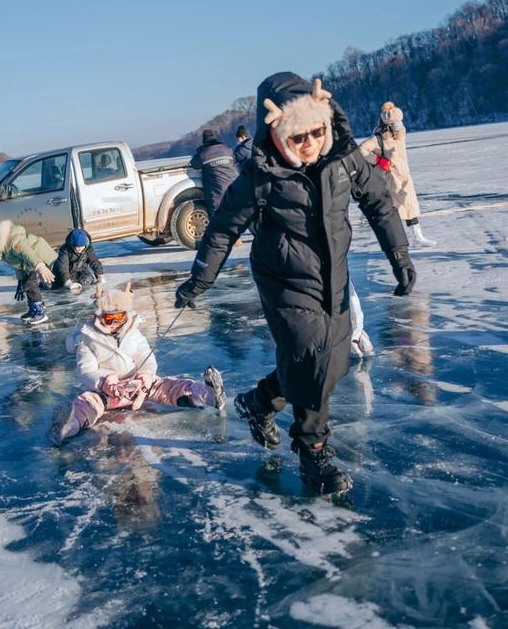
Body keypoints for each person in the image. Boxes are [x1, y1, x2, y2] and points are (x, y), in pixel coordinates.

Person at [175, 72, 416, 496]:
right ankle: (313, 452)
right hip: (282, 277)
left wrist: (399, 255)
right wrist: (200, 280)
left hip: (332, 273)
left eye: (316, 131)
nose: (309, 143)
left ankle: (259, 400)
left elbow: (378, 201)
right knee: (311, 356)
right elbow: (222, 230)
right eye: (297, 135)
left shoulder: (344, 158)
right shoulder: (258, 176)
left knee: (335, 359)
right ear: (276, 132)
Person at [49, 283, 226, 445]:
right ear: (99, 316)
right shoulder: (87, 339)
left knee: (167, 387)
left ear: (126, 315)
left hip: (137, 386)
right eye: (109, 319)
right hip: (105, 391)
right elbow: (85, 369)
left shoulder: (133, 333)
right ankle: (68, 424)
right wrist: (104, 381)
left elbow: (145, 356)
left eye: (119, 317)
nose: (115, 324)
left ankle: (207, 395)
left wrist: (146, 376)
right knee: (88, 403)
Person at [359, 102, 436, 248]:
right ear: (387, 124)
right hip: (390, 178)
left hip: (404, 176)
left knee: (410, 204)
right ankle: (392, 238)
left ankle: (418, 237)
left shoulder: (400, 135)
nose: (399, 125)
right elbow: (361, 151)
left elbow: (401, 131)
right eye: (395, 123)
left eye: (399, 122)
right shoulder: (378, 139)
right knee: (390, 210)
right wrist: (378, 160)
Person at [0, 220, 57, 325]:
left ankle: (39, 313)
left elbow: (27, 253)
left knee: (30, 284)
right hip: (31, 262)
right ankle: (33, 309)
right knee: (26, 283)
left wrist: (40, 266)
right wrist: (20, 281)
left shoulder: (13, 242)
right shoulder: (5, 248)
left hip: (38, 257)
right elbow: (19, 265)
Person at [189, 129, 238, 217]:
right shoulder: (227, 149)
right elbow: (234, 161)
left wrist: (199, 151)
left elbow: (194, 165)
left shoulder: (204, 153)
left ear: (204, 141)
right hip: (234, 186)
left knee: (217, 216)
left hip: (218, 191)